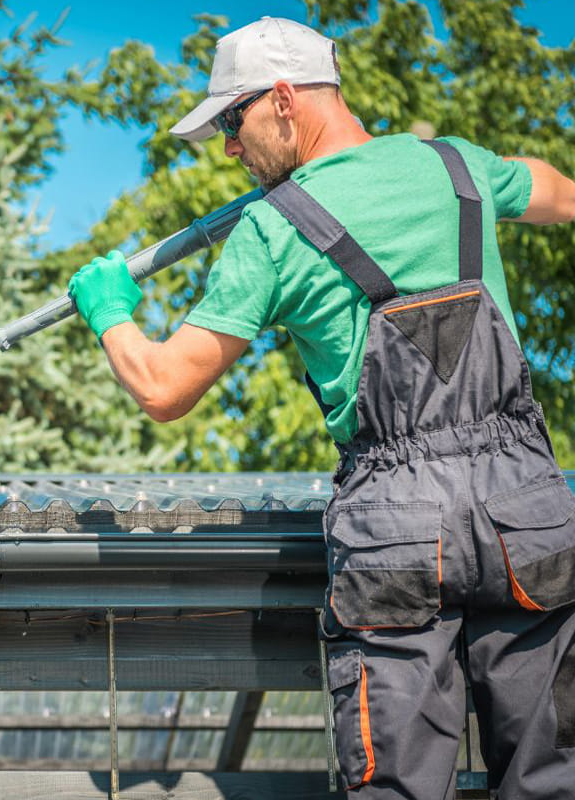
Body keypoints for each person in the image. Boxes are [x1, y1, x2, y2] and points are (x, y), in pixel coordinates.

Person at [67, 16, 575, 799]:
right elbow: (557, 193)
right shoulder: (456, 167)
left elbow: (164, 387)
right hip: (526, 503)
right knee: (557, 775)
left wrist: (110, 313)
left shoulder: (271, 231)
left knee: (397, 787)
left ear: (281, 99)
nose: (231, 149)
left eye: (232, 124)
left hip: (398, 524)